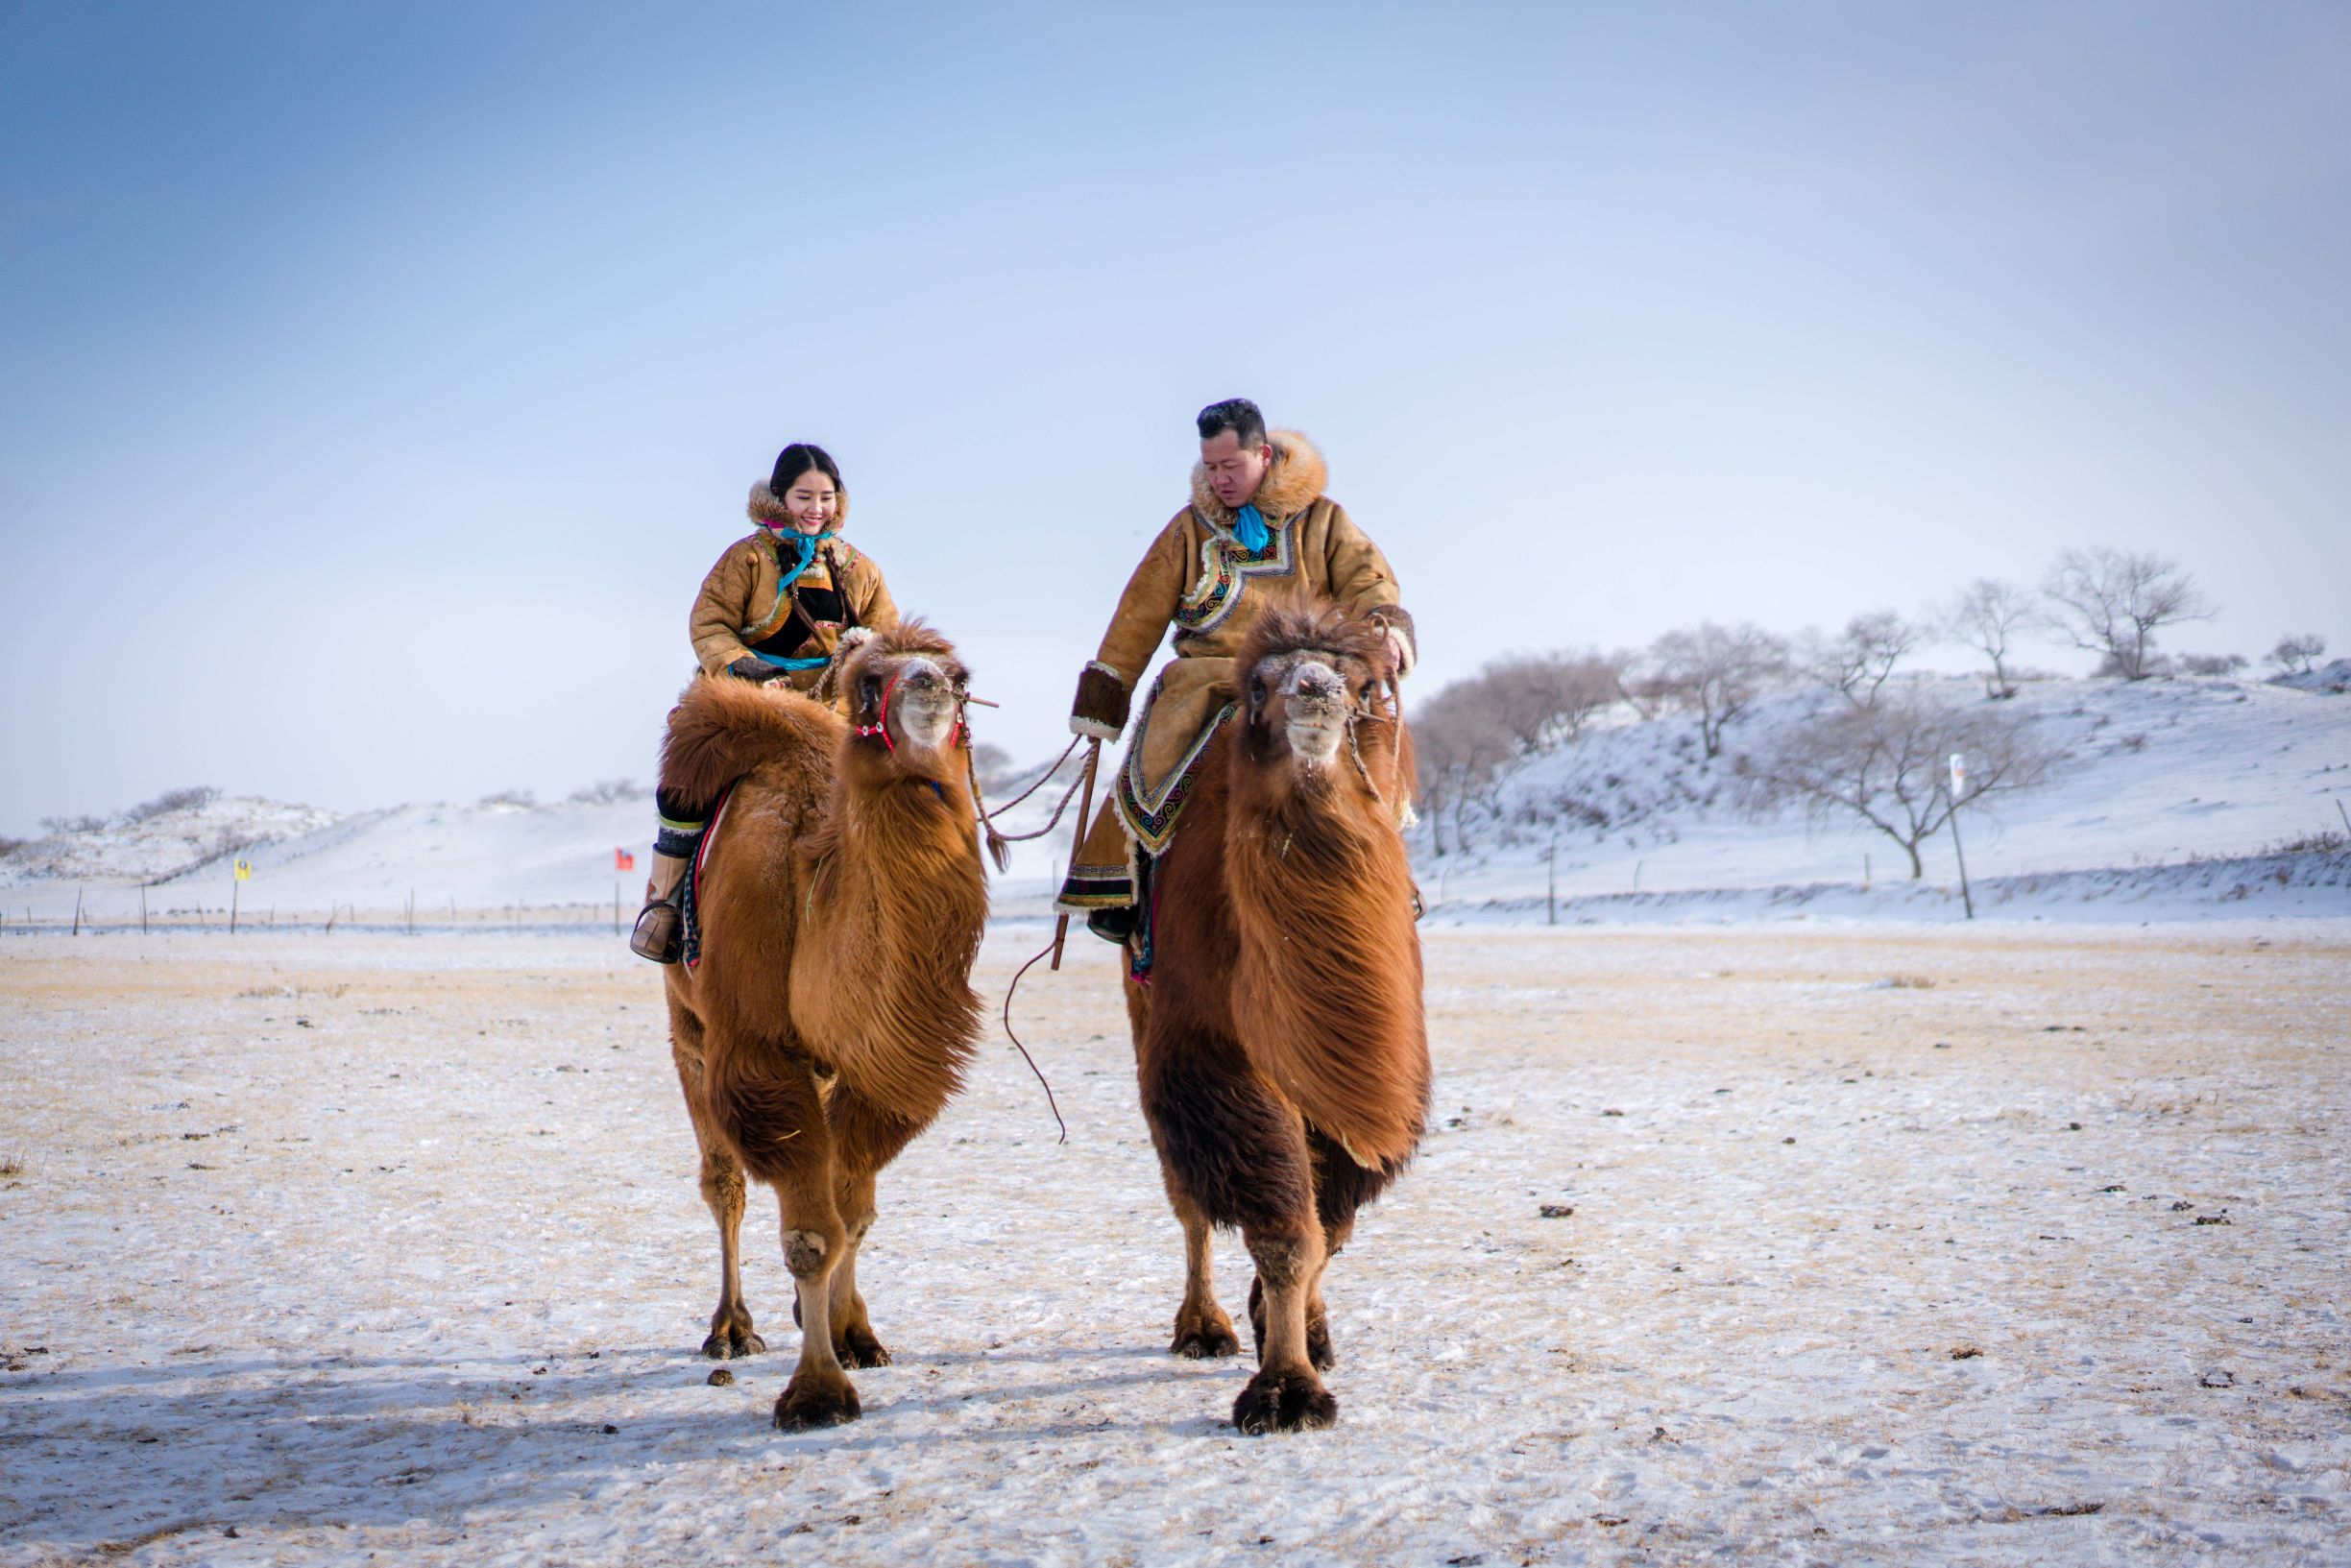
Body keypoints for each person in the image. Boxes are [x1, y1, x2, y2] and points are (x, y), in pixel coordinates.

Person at [1056, 398, 1417, 939]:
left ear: (1264, 455)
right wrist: (1106, 695)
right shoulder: (1188, 529)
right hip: (1210, 678)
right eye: (1211, 467)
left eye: (1232, 466)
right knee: (1154, 756)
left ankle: (1388, 875)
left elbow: (1369, 580)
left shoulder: (1324, 520)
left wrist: (1384, 627)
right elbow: (1140, 612)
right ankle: (1122, 884)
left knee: (1375, 749)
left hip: (1305, 674)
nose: (1220, 479)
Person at [628, 442, 900, 962]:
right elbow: (708, 624)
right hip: (749, 703)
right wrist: (745, 667)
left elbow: (889, 634)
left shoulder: (860, 568)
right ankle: (664, 906)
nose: (815, 509)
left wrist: (870, 652)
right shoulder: (746, 558)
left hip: (831, 713)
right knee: (684, 782)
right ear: (780, 497)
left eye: (825, 496)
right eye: (804, 497)